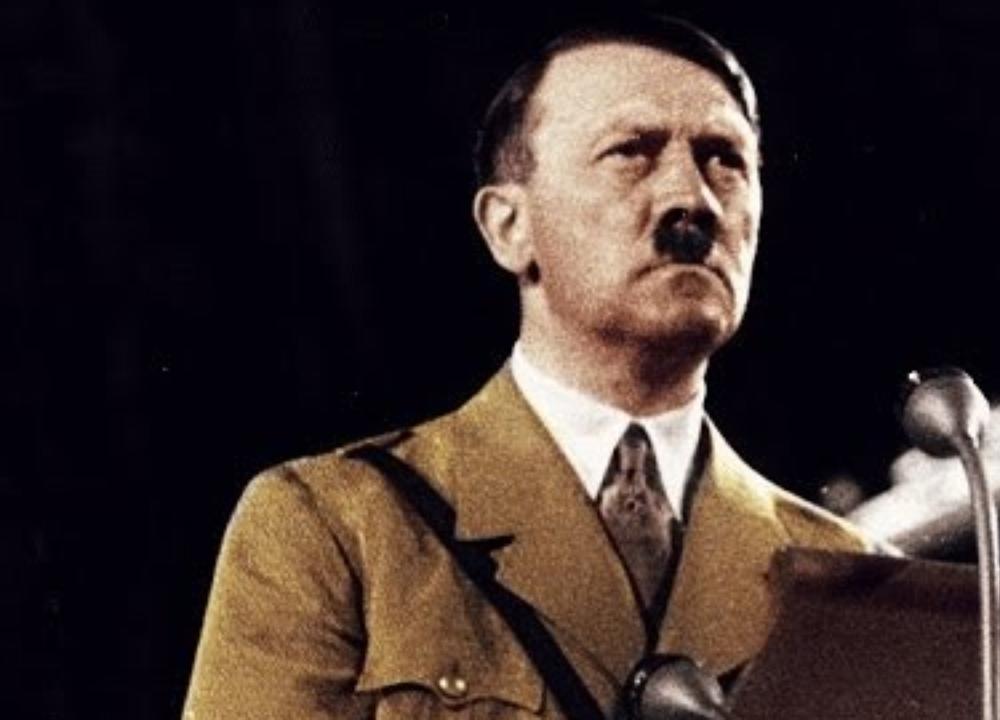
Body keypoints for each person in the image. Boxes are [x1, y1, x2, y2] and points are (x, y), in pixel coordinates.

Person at [183, 15, 872, 720]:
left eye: (724, 159)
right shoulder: (338, 528)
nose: (692, 199)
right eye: (631, 152)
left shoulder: (852, 583)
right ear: (508, 227)